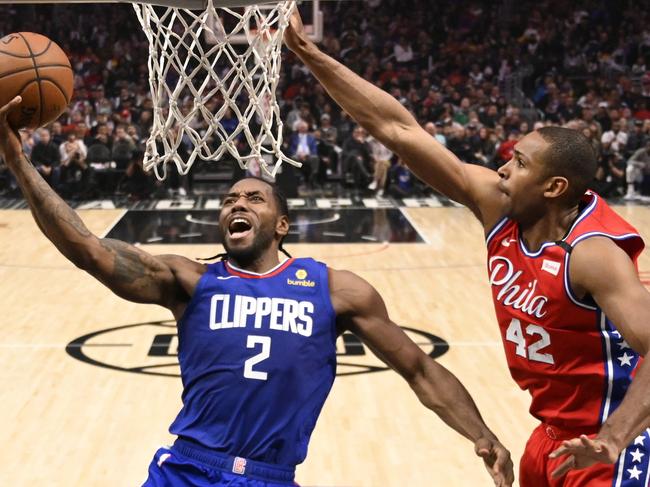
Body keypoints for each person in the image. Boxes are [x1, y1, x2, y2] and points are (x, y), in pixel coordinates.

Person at [0, 96, 513, 487]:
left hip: (270, 476)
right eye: (228, 200)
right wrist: (18, 162)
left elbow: (419, 369)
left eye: (252, 198)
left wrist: (480, 434)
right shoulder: (189, 280)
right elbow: (87, 248)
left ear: (282, 224)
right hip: (186, 470)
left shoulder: (336, 290)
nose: (235, 204)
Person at [284, 10, 650, 487]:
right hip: (551, 435)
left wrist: (614, 439)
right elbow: (398, 129)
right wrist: (311, 55)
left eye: (518, 164)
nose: (501, 169)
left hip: (609, 445)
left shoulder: (593, 253)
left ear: (554, 187)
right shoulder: (498, 207)